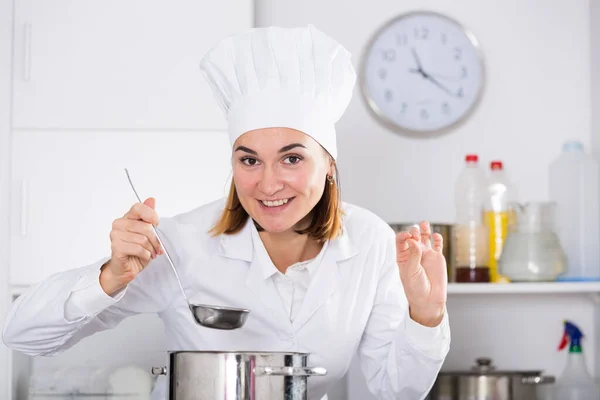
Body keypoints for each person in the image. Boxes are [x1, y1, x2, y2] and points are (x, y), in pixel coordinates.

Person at [2, 25, 450, 400]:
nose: (268, 183)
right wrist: (108, 278)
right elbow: (22, 335)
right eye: (249, 159)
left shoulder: (368, 240)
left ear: (329, 164)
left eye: (292, 158)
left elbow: (396, 390)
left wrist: (426, 315)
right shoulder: (179, 245)